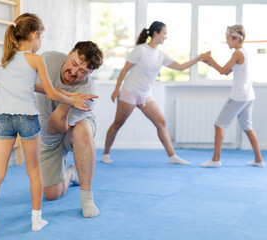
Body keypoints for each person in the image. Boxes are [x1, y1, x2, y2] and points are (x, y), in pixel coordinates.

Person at [0, 13, 96, 240]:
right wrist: (71, 99)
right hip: (27, 120)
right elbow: (49, 91)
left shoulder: (5, 57)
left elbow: (30, 86)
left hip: (3, 120)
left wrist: (66, 97)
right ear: (35, 35)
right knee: (34, 171)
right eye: (42, 37)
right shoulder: (37, 59)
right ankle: (37, 221)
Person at [101, 21, 204, 164]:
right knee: (118, 123)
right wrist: (116, 90)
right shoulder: (141, 50)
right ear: (156, 33)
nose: (166, 37)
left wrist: (198, 58)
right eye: (164, 33)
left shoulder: (161, 55)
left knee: (161, 122)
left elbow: (180, 67)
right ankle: (105, 154)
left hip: (145, 94)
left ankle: (172, 156)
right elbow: (125, 69)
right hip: (130, 91)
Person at [36, 41, 104, 218]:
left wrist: (67, 104)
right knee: (52, 194)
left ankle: (87, 198)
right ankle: (72, 172)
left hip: (71, 128)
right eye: (74, 64)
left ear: (90, 73)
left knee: (82, 130)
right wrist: (67, 98)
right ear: (69, 54)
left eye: (83, 71)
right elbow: (51, 131)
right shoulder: (48, 60)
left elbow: (60, 127)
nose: (74, 73)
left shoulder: (88, 91)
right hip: (50, 136)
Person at [200, 24, 264, 168]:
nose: (227, 42)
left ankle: (216, 159)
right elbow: (228, 72)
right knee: (248, 127)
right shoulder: (243, 53)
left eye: (228, 39)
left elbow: (222, 71)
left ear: (237, 38)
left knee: (218, 125)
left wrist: (209, 57)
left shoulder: (237, 53)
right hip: (248, 96)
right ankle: (259, 160)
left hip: (238, 97)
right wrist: (210, 63)